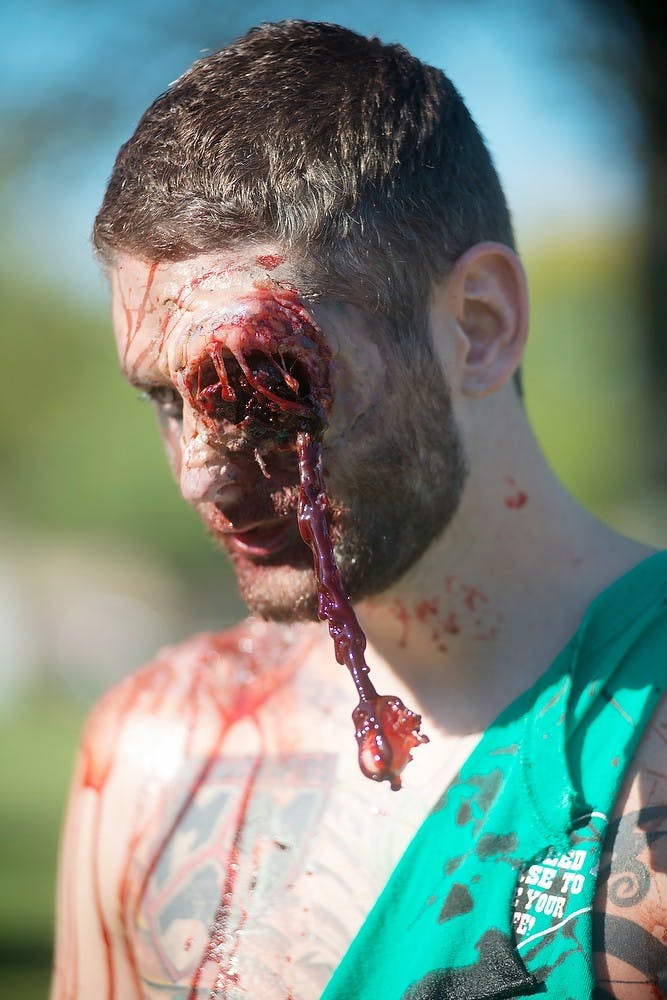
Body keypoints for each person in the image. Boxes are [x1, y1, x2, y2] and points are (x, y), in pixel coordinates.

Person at [51, 20, 667, 1000]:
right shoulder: (150, 758)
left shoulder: (644, 738)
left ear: (477, 326)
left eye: (262, 384)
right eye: (166, 401)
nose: (200, 477)